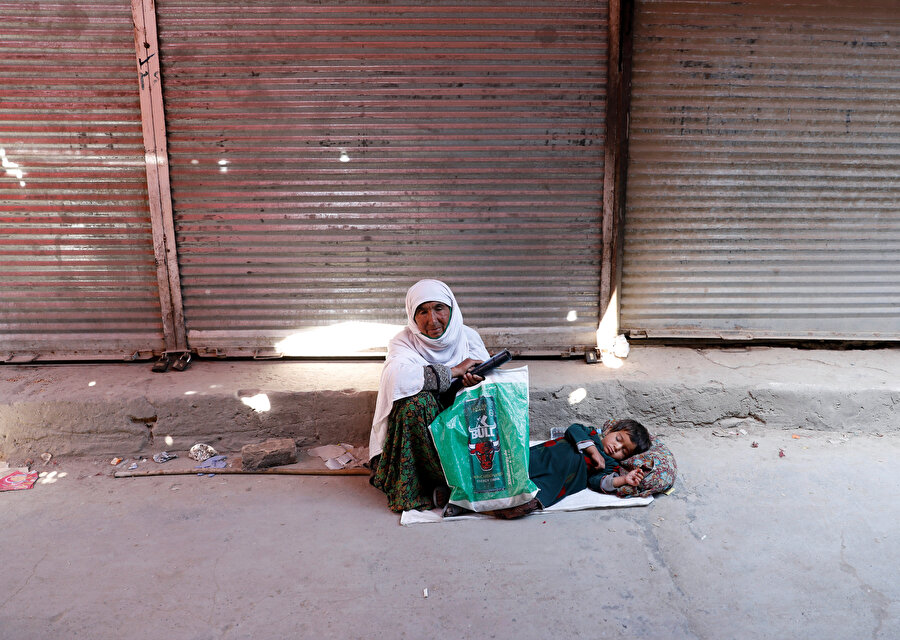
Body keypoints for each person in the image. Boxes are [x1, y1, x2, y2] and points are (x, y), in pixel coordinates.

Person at [368, 279, 489, 512]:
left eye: (439, 308)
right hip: (421, 434)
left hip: (460, 429)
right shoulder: (403, 342)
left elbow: (489, 381)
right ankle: (425, 486)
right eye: (422, 311)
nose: (432, 320)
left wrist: (473, 381)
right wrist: (453, 371)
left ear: (451, 309)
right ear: (412, 317)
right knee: (415, 403)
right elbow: (399, 379)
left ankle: (449, 482)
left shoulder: (468, 337)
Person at [527, 420, 652, 509]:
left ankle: (518, 506)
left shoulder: (610, 464)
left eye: (624, 451)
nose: (617, 447)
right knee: (522, 466)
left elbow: (597, 482)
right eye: (618, 439)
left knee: (540, 493)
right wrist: (593, 451)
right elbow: (573, 429)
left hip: (560, 478)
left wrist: (623, 479)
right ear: (609, 431)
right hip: (547, 456)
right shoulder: (591, 434)